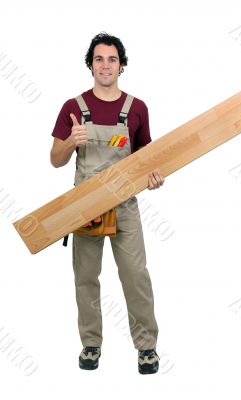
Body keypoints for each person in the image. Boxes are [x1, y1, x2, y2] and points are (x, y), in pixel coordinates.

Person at [50, 32, 165, 375]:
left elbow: (149, 160)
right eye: (99, 59)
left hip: (125, 205)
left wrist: (155, 178)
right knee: (86, 277)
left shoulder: (137, 108)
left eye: (112, 59)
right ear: (90, 65)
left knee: (135, 276)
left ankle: (147, 348)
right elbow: (55, 159)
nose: (105, 65)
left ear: (122, 65)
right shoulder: (73, 108)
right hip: (85, 204)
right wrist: (71, 140)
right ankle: (91, 344)